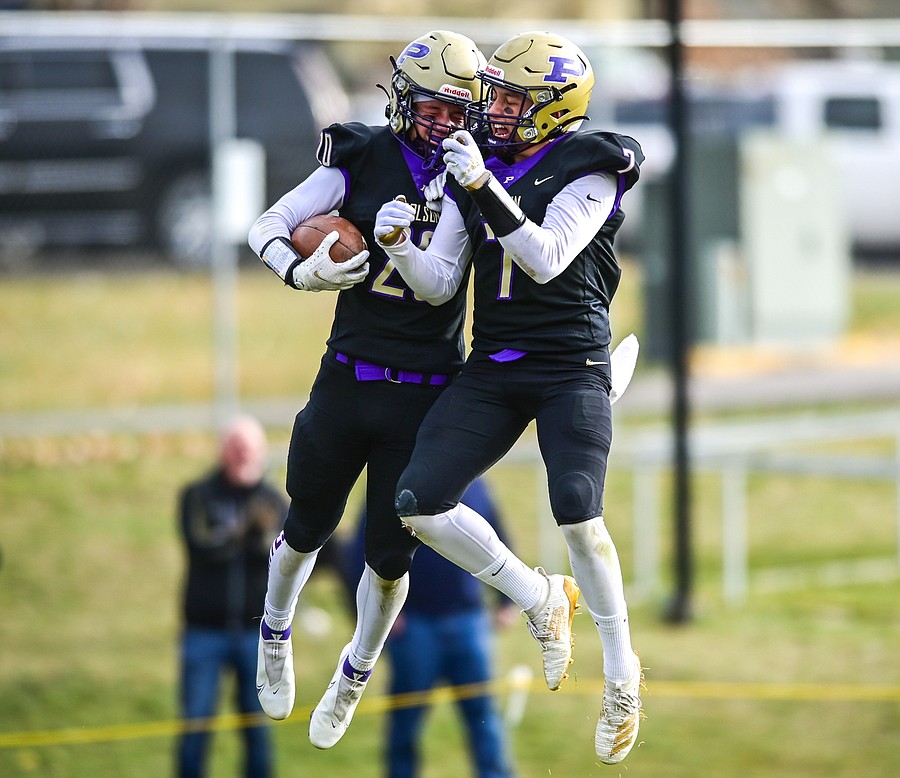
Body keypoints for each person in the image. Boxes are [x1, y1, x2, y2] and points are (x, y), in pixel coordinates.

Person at [246, 30, 577, 753]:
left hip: (424, 392)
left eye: (455, 110)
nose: (440, 123)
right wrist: (299, 272)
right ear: (402, 98)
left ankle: (356, 670)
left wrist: (397, 243)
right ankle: (274, 631)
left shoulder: (473, 174)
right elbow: (267, 225)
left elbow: (438, 288)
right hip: (348, 376)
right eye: (429, 108)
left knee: (389, 558)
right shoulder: (362, 152)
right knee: (307, 523)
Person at [374, 31, 645, 765]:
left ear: (557, 110)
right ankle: (538, 597)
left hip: (569, 362)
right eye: (499, 94)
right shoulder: (482, 162)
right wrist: (398, 243)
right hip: (494, 365)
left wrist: (479, 186)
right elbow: (438, 282)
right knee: (417, 501)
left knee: (578, 511)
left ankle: (622, 670)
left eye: (518, 99)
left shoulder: (591, 165)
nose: (498, 109)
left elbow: (546, 257)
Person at [337, 478, 516, 778]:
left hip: (469, 621)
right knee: (405, 725)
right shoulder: (393, 482)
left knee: (485, 721)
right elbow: (359, 552)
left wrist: (506, 599)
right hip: (415, 628)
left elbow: (497, 537)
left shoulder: (475, 482)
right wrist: (377, 615)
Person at [176, 415, 288, 778]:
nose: (242, 455)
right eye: (235, 447)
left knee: (257, 730)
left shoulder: (275, 500)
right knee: (195, 726)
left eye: (249, 448)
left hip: (257, 636)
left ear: (260, 453)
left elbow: (278, 554)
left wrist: (253, 536)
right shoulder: (197, 495)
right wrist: (244, 532)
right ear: (223, 450)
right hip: (204, 633)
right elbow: (201, 545)